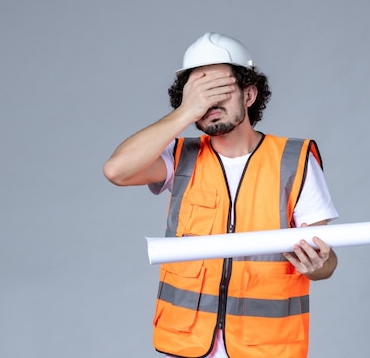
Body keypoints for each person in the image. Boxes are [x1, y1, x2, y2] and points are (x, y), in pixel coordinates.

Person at [102, 32, 338, 358]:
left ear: (249, 94)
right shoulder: (179, 155)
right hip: (187, 343)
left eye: (220, 92)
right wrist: (186, 112)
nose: (210, 104)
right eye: (200, 94)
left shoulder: (294, 160)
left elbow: (326, 263)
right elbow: (117, 170)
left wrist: (318, 265)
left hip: (266, 348)